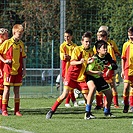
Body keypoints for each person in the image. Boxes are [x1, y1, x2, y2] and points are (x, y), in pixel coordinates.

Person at [46, 31, 94, 119]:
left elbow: (89, 64)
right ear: (82, 42)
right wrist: (80, 61)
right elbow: (72, 62)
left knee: (87, 97)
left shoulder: (91, 52)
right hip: (71, 76)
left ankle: (88, 113)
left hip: (81, 78)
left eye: (89, 42)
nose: (88, 43)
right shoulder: (77, 49)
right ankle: (52, 110)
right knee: (64, 95)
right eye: (86, 41)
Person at [85, 40, 118, 119]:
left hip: (99, 78)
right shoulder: (94, 58)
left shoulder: (107, 56)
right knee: (92, 89)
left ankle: (107, 112)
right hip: (91, 77)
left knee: (109, 94)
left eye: (106, 48)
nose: (106, 49)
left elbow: (114, 65)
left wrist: (109, 67)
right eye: (104, 48)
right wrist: (96, 72)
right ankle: (87, 113)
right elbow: (88, 71)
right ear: (98, 50)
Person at [0, 24, 26, 116]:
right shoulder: (7, 43)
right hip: (8, 70)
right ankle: (4, 110)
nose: (20, 35)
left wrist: (24, 69)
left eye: (21, 33)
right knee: (6, 90)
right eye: (19, 33)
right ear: (14, 32)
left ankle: (17, 110)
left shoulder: (21, 44)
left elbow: (23, 57)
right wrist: (5, 61)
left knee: (17, 91)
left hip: (18, 70)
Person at [94, 29, 119, 109]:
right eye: (97, 37)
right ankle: (99, 104)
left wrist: (110, 69)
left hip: (108, 71)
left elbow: (113, 60)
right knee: (99, 88)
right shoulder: (96, 46)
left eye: (100, 37)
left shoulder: (108, 47)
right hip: (99, 70)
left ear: (105, 37)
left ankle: (115, 104)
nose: (98, 38)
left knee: (111, 86)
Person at [60, 29, 78, 107]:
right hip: (66, 68)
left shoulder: (75, 46)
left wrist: (70, 57)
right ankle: (69, 102)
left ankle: (72, 101)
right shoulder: (62, 46)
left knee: (72, 86)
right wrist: (67, 57)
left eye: (68, 36)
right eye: (65, 36)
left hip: (73, 69)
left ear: (71, 37)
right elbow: (63, 57)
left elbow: (75, 58)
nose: (66, 38)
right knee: (68, 86)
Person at [121, 26, 133, 113]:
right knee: (125, 88)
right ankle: (126, 104)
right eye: (129, 35)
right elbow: (123, 58)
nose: (131, 37)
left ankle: (132, 105)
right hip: (127, 69)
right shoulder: (126, 45)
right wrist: (122, 70)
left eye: (132, 35)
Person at [0, 28, 9, 114]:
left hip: (4, 68)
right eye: (6, 34)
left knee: (4, 88)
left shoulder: (6, 44)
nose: (8, 36)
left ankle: (4, 106)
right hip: (1, 68)